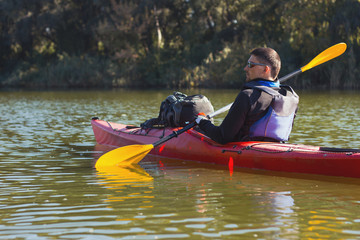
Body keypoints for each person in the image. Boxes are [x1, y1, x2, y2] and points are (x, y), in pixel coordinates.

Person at [195, 47, 299, 144]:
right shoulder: (292, 97)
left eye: (250, 64)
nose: (245, 68)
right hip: (278, 149)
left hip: (247, 152)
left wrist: (202, 122)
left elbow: (222, 137)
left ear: (265, 70)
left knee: (199, 130)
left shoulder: (247, 96)